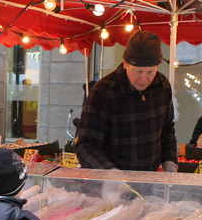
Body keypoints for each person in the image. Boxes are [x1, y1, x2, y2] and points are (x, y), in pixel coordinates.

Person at [75, 30, 177, 172]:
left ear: (157, 67)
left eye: (150, 72)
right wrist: (109, 173)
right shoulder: (103, 91)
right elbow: (86, 145)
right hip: (110, 184)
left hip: (150, 179)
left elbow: (167, 129)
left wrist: (170, 161)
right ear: (125, 64)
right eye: (138, 71)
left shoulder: (163, 85)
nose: (144, 78)